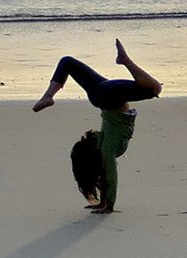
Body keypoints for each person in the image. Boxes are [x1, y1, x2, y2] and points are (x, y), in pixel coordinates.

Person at [32, 39, 162, 213]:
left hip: (105, 95)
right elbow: (110, 176)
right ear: (94, 154)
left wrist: (103, 203)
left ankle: (48, 96)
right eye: (89, 139)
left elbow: (104, 173)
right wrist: (108, 205)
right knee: (154, 89)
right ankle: (125, 61)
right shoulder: (108, 150)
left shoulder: (107, 145)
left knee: (67, 62)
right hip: (105, 95)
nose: (90, 133)